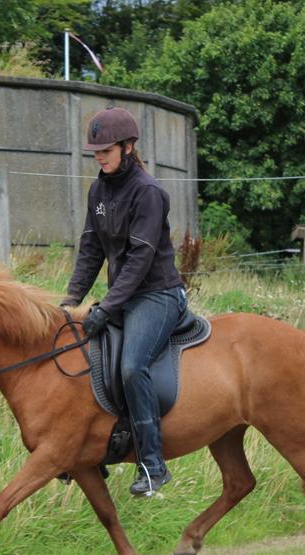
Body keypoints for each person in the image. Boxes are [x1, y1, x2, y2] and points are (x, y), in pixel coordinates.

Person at [60, 106, 187, 497]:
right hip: (124, 297)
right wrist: (71, 300)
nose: (99, 157)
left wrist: (107, 308)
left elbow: (139, 258)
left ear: (128, 147)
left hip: (158, 295)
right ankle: (91, 448)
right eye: (95, 151)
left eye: (106, 150)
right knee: (82, 356)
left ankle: (153, 465)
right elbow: (90, 249)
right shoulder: (98, 190)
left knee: (132, 367)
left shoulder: (149, 193)